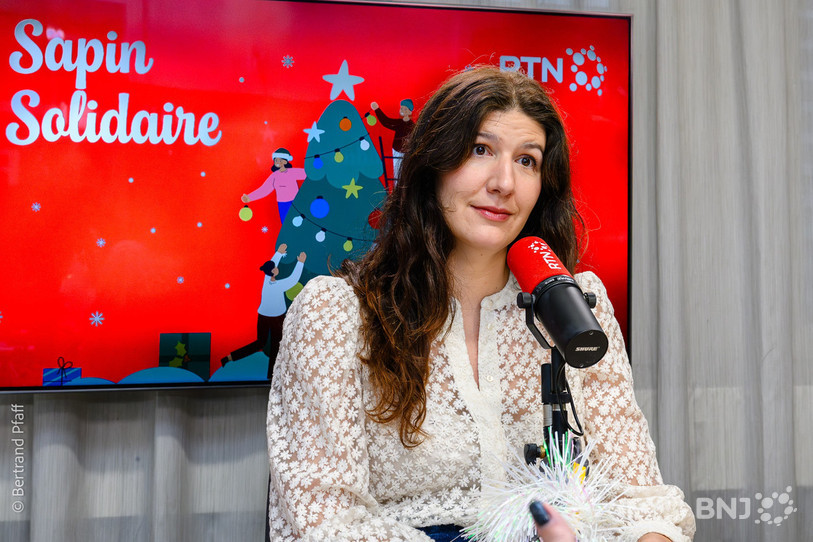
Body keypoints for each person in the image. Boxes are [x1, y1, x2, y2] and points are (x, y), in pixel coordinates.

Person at [266, 67, 695, 541]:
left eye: (527, 161)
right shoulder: (337, 314)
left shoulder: (574, 302)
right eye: (480, 150)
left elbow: (642, 500)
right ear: (433, 165)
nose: (504, 182)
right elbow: (326, 522)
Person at [222, 243, 306, 379]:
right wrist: (300, 263)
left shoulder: (267, 280)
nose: (276, 267)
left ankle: (230, 357)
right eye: (275, 268)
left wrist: (278, 253)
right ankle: (272, 376)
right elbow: (292, 280)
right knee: (275, 346)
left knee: (260, 342)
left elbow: (271, 264)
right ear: (273, 271)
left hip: (263, 316)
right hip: (276, 319)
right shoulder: (278, 286)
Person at [242, 147, 306, 223]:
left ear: (286, 161)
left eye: (280, 160)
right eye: (276, 160)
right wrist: (249, 197)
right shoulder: (274, 176)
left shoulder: (292, 172)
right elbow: (264, 189)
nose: (278, 162)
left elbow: (309, 174)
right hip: (282, 204)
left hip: (295, 202)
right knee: (286, 224)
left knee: (298, 222)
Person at [370, 98, 415, 182]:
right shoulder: (399, 123)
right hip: (396, 150)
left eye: (405, 109)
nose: (402, 110)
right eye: (401, 108)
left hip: (407, 152)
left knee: (406, 173)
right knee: (397, 173)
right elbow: (386, 121)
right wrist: (377, 109)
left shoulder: (412, 126)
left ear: (410, 111)